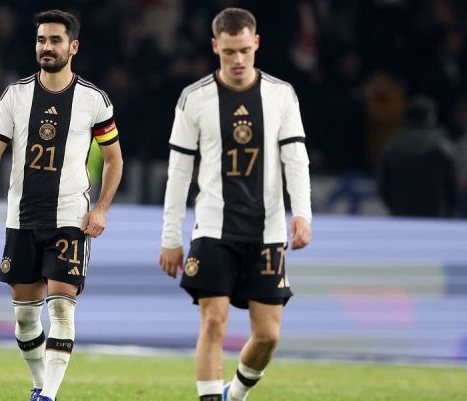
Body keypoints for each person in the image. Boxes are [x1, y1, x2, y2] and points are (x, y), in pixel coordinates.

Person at [0, 10, 123, 401]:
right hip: (21, 218)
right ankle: (40, 382)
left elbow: (114, 159)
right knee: (24, 318)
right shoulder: (15, 95)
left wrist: (101, 208)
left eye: (55, 40)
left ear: (73, 47)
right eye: (41, 40)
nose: (46, 47)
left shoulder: (94, 100)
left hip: (70, 217)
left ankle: (48, 394)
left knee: (62, 307)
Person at [159, 8, 312, 401]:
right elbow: (178, 172)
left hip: (267, 231)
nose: (238, 59)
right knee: (213, 322)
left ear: (256, 43)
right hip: (214, 228)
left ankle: (235, 394)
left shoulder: (280, 95)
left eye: (245, 50)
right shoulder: (194, 98)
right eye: (229, 52)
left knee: (268, 336)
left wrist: (302, 214)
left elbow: (296, 160)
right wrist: (171, 237)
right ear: (215, 47)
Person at [377, 96, 459, 218]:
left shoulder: (392, 147)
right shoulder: (442, 147)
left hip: (401, 211)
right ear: (430, 118)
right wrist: (449, 210)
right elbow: (453, 186)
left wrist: (393, 206)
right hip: (435, 213)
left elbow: (383, 186)